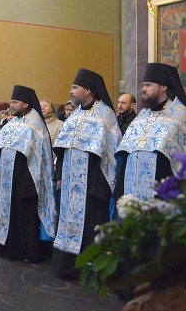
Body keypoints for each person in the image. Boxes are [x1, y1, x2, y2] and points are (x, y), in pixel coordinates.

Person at [51, 68, 122, 278]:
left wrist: (97, 185)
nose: (71, 91)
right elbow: (62, 149)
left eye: (75, 87)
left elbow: (110, 153)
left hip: (93, 185)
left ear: (88, 90)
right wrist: (60, 176)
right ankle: (65, 266)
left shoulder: (105, 115)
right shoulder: (74, 117)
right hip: (70, 183)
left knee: (91, 226)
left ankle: (89, 270)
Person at [116, 63, 186, 201]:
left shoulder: (181, 116)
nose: (143, 89)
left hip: (163, 194)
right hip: (131, 191)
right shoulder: (141, 117)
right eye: (143, 85)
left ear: (163, 87)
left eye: (148, 85)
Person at [0, 85, 56, 262]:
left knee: (24, 216)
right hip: (7, 179)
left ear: (25, 104)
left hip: (25, 180)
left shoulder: (35, 125)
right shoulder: (14, 122)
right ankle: (8, 248)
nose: (11, 105)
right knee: (8, 213)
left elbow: (39, 157)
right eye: (11, 101)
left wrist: (29, 181)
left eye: (15, 102)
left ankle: (26, 251)